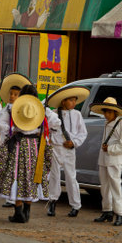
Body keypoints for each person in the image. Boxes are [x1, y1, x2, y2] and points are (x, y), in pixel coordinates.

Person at [0, 85, 60, 223]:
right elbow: (56, 122)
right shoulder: (41, 109)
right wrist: (41, 128)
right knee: (31, 176)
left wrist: (12, 130)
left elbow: (0, 123)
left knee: (17, 175)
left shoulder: (13, 108)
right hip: (34, 147)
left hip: (18, 145)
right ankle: (27, 210)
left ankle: (18, 211)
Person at [47, 86, 89, 218]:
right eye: (71, 100)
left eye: (74, 101)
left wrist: (74, 142)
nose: (73, 103)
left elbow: (83, 133)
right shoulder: (53, 114)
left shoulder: (77, 114)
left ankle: (75, 205)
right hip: (56, 148)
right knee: (54, 176)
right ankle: (52, 202)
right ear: (63, 101)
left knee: (71, 176)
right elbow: (47, 131)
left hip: (69, 150)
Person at [0, 73, 31, 208]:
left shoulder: (21, 110)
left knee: (15, 171)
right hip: (5, 142)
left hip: (17, 143)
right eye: (11, 94)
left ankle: (15, 199)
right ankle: (9, 196)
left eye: (15, 94)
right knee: (3, 169)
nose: (12, 96)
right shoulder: (5, 109)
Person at [90, 97, 122, 226]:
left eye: (109, 112)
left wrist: (110, 149)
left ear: (115, 112)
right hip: (104, 159)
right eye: (105, 112)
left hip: (115, 160)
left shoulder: (121, 124)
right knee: (105, 186)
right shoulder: (106, 123)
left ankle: (119, 213)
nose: (106, 114)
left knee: (115, 186)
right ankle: (107, 211)